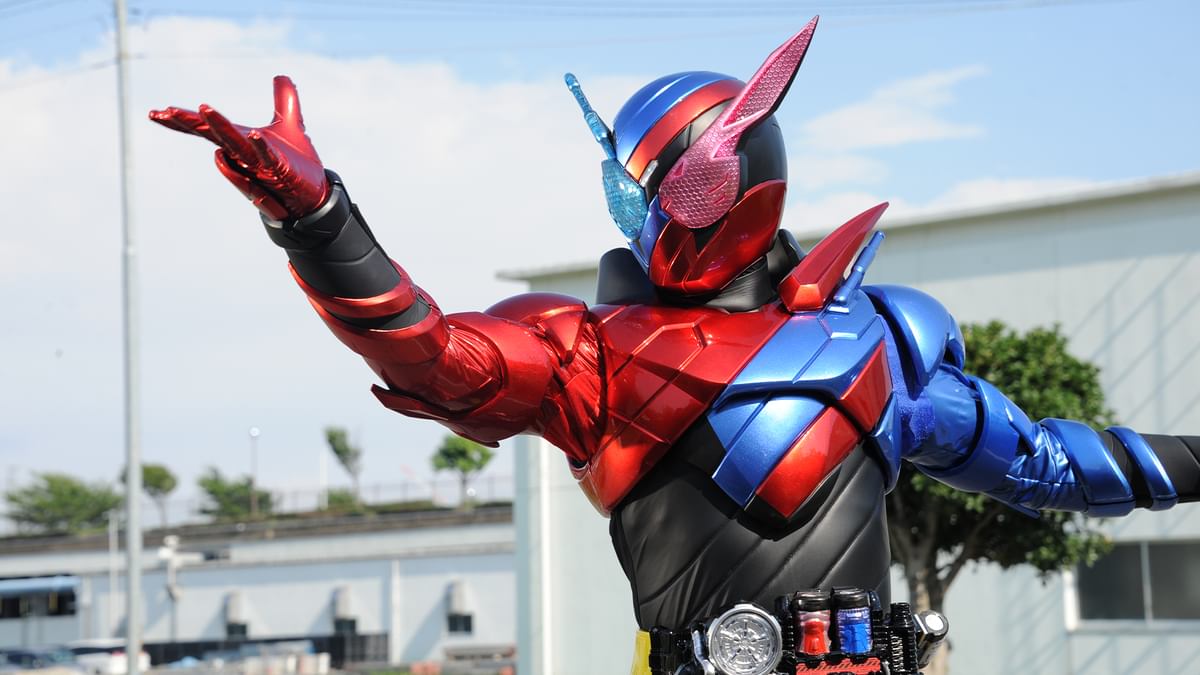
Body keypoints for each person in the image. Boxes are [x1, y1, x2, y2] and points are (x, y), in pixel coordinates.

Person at [151, 17, 1198, 675]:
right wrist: (317, 217)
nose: (637, 211)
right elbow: (426, 351)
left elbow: (1052, 461)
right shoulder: (591, 354)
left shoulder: (878, 340)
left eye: (653, 184)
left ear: (721, 183)